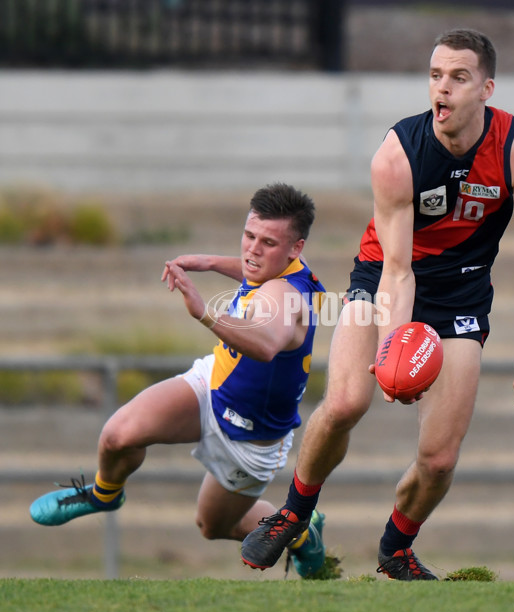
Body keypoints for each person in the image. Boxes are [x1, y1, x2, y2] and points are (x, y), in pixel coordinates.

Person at [241, 29, 514, 580]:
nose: (443, 88)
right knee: (345, 403)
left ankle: (396, 548)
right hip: (384, 278)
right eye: (436, 75)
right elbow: (397, 269)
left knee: (439, 459)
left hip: (461, 293)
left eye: (458, 77)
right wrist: (398, 346)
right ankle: (294, 510)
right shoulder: (398, 154)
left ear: (486, 87)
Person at [30, 182, 329, 578]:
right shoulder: (281, 266)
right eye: (249, 235)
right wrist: (209, 262)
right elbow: (254, 267)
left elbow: (268, 343)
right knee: (118, 435)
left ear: (296, 248)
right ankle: (104, 495)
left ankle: (300, 532)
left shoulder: (287, 296)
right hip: (212, 384)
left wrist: (205, 313)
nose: (253, 249)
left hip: (250, 438)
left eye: (268, 242)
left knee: (213, 526)